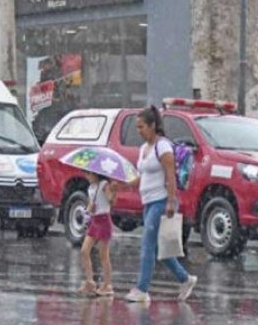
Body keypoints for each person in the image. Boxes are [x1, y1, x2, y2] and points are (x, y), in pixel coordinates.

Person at [126, 105, 197, 303]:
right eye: (137, 127)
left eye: (142, 127)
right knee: (159, 249)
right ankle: (186, 278)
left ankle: (142, 289)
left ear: (153, 126)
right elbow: (141, 175)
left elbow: (171, 176)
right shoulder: (143, 149)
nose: (139, 131)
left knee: (147, 243)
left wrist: (171, 201)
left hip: (160, 201)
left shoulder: (163, 146)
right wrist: (121, 185)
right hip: (147, 201)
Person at [78, 170, 116, 297]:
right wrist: (87, 210)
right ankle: (90, 281)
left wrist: (113, 191)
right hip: (94, 221)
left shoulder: (104, 184)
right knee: (84, 250)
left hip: (104, 220)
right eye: (86, 174)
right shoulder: (91, 187)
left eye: (89, 174)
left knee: (103, 255)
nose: (87, 176)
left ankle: (108, 284)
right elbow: (91, 203)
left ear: (96, 174)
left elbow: (110, 200)